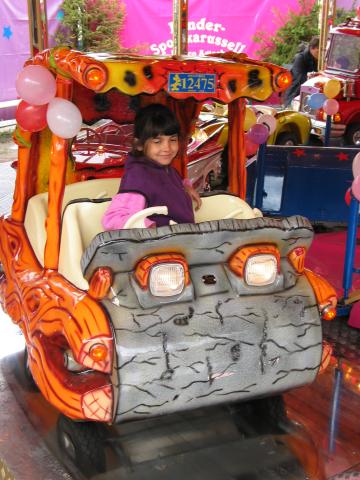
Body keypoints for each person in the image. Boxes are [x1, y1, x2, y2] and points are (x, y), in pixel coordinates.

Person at [102, 103, 202, 230]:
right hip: (161, 245)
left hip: (181, 239)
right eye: (157, 141)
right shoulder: (138, 177)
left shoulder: (166, 169)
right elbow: (112, 219)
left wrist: (186, 187)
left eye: (172, 140)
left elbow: (171, 184)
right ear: (139, 145)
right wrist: (150, 227)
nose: (167, 148)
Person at [284, 36, 320, 107]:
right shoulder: (300, 58)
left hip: (310, 95)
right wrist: (313, 78)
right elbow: (299, 78)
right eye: (318, 51)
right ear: (312, 48)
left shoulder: (318, 60)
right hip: (295, 94)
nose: (321, 54)